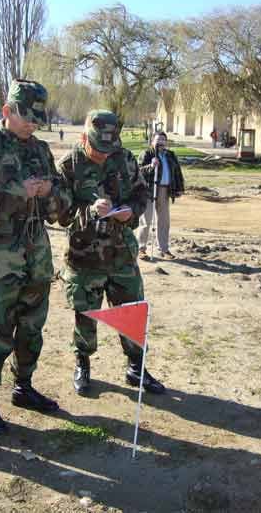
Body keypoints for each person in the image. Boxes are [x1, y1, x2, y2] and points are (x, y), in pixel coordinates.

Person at [0, 79, 71, 435]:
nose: (33, 125)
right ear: (7, 111)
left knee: (32, 327)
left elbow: (61, 209)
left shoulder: (41, 150)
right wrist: (15, 193)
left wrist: (50, 190)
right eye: (27, 118)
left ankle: (23, 386)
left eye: (38, 120)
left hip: (36, 253)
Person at [57, 110, 165, 396]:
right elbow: (59, 213)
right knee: (85, 314)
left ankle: (136, 367)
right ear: (83, 138)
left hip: (121, 255)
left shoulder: (125, 159)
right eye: (97, 148)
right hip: (84, 257)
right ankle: (82, 363)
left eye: (109, 148)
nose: (104, 155)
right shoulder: (69, 165)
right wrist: (89, 212)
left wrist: (131, 212)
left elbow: (141, 194)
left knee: (131, 311)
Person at [136, 131, 184, 260]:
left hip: (164, 191)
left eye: (163, 140)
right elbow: (138, 171)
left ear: (166, 142)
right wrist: (151, 166)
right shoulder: (147, 154)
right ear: (152, 141)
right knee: (146, 221)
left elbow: (177, 172)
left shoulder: (170, 155)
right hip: (149, 190)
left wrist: (179, 188)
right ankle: (141, 249)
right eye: (158, 140)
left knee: (164, 221)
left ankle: (164, 249)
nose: (160, 142)